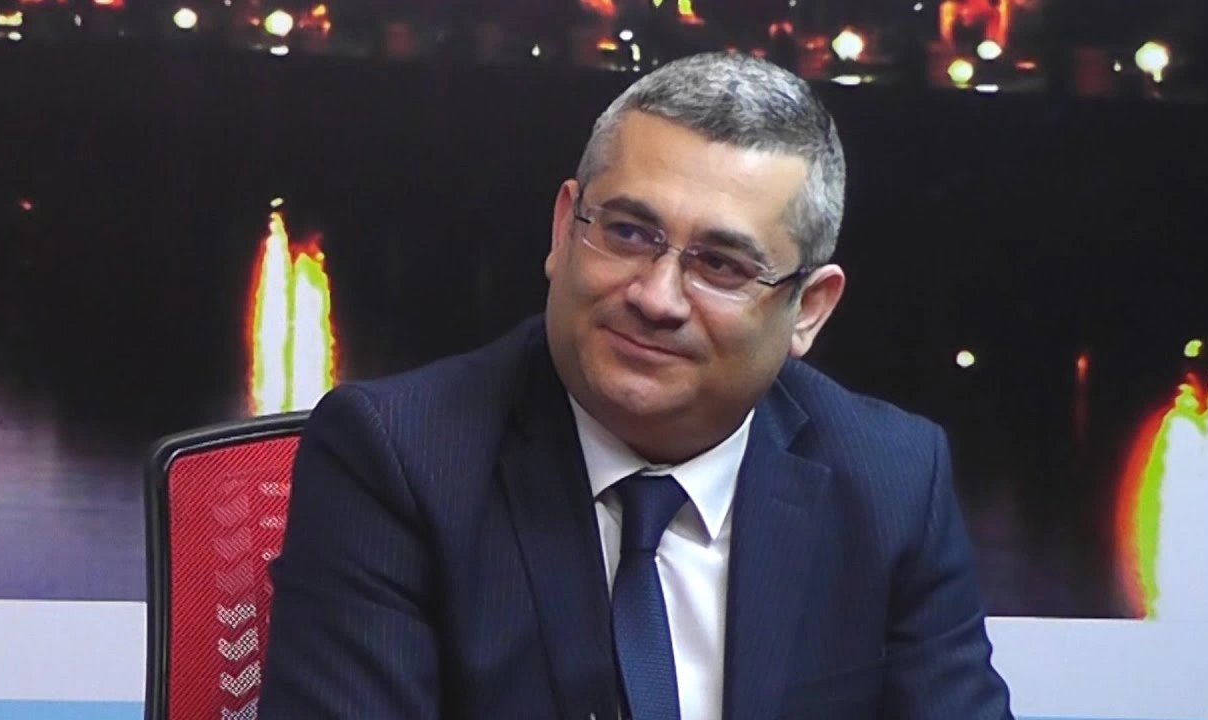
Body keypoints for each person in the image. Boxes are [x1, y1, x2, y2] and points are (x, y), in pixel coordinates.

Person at [259, 52, 1014, 719]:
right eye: (626, 233)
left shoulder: (892, 480)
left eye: (720, 265)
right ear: (563, 229)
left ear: (808, 309)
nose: (656, 297)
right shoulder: (398, 458)